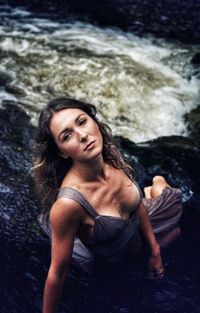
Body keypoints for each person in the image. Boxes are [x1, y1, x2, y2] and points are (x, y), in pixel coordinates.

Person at [33, 97, 183, 313]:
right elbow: (57, 273)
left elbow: (138, 205)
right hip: (108, 256)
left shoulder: (111, 158)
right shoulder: (68, 205)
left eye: (82, 122)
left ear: (93, 120)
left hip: (134, 228)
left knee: (174, 227)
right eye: (67, 136)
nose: (82, 135)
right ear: (62, 152)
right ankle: (154, 189)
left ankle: (156, 184)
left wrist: (155, 250)